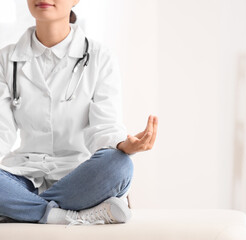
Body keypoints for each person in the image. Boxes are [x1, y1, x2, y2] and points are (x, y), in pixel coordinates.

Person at [0, 0, 158, 225]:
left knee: (119, 164)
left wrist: (124, 145)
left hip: (79, 176)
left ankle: (21, 208)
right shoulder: (6, 59)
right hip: (24, 174)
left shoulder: (100, 57)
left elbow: (105, 127)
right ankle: (64, 215)